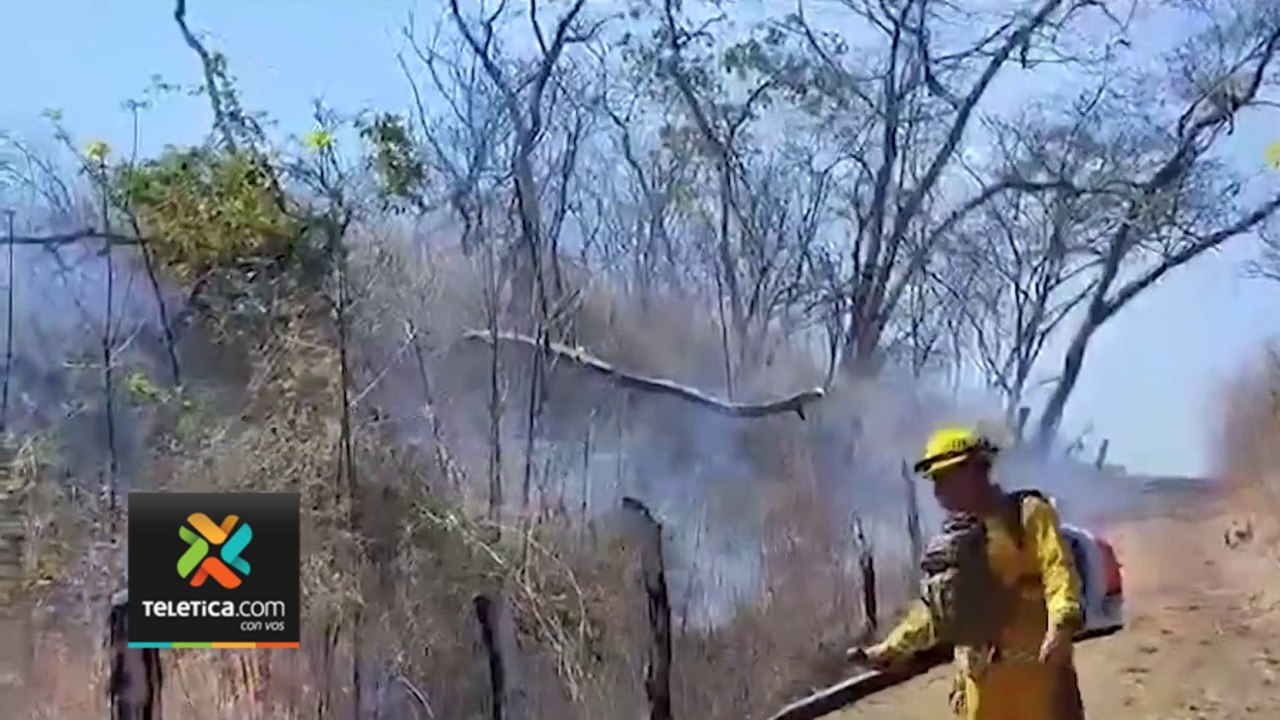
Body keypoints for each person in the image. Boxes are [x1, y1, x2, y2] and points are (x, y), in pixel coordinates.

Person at [859, 425, 1086, 720]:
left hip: (1039, 678)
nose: (939, 493)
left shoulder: (1027, 513)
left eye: (947, 479)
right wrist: (893, 648)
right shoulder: (954, 540)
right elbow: (938, 609)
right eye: (935, 483)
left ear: (978, 472)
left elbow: (1058, 569)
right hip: (982, 684)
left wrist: (1061, 624)